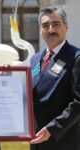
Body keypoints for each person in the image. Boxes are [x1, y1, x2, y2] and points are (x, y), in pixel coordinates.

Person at [30, 6, 80, 150]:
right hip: (36, 139)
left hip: (62, 140)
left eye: (56, 24)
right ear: (40, 30)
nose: (51, 29)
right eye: (45, 25)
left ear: (66, 27)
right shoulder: (35, 59)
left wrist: (52, 129)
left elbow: (78, 102)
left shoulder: (76, 58)